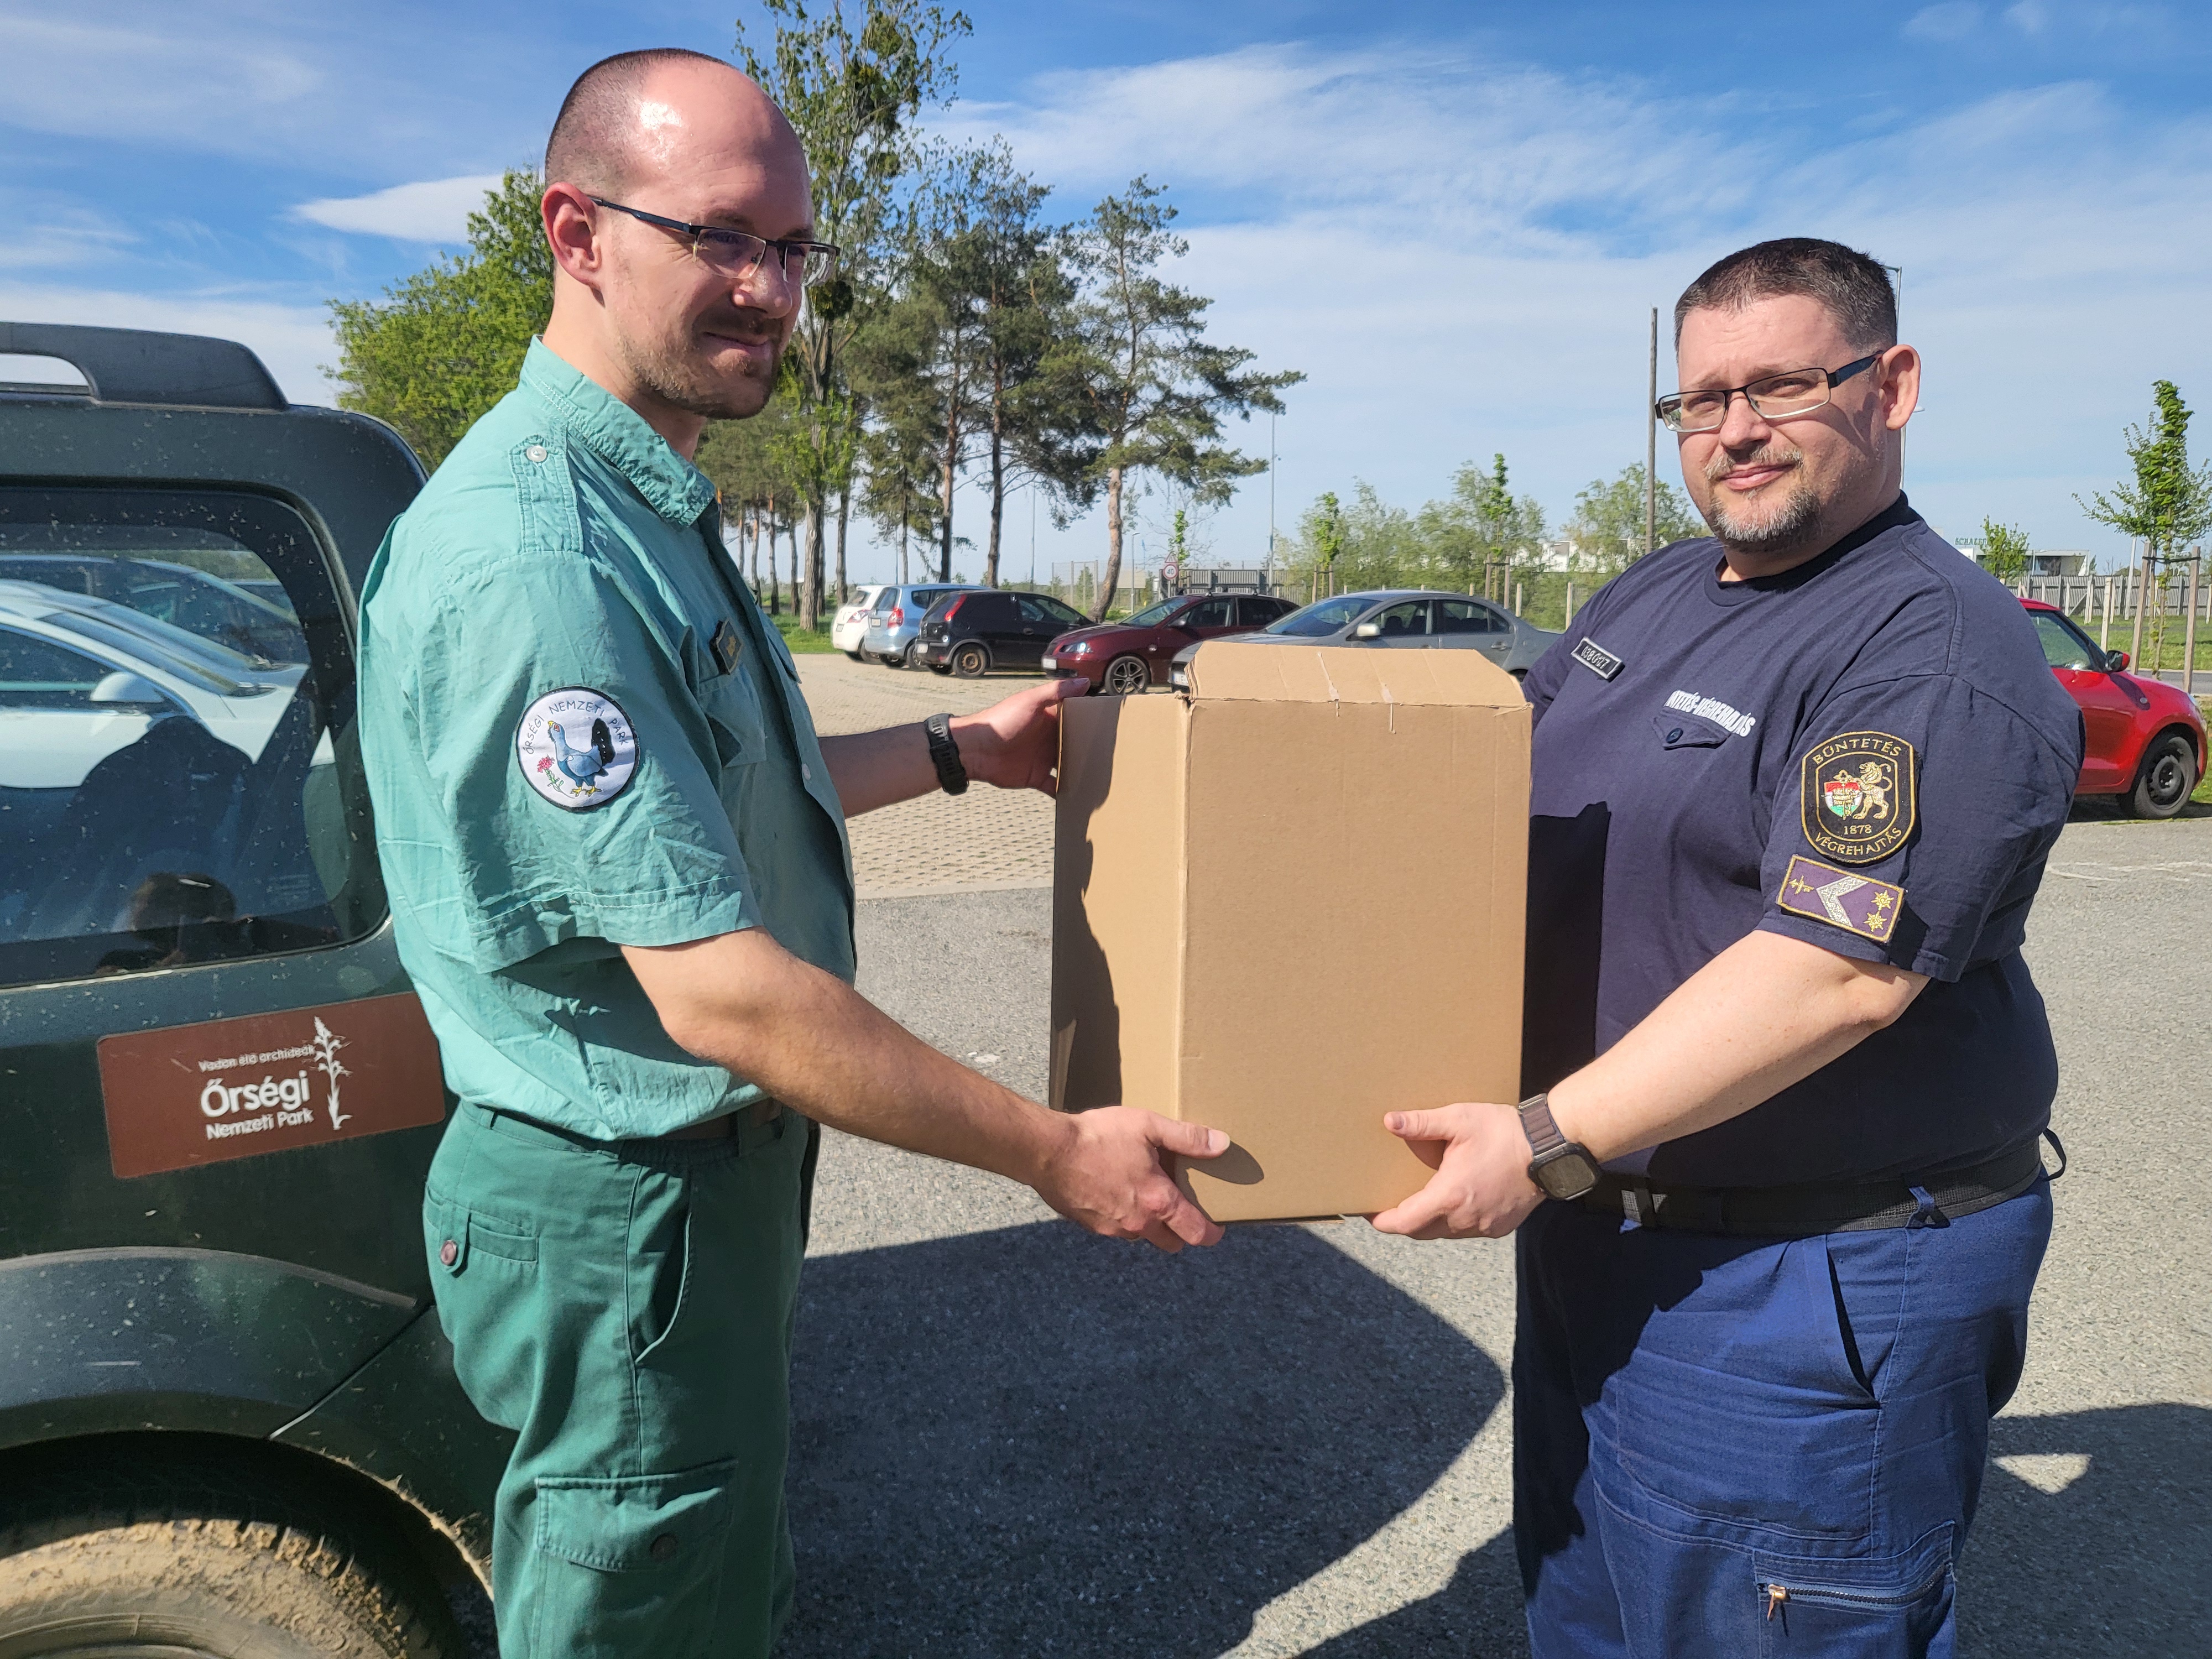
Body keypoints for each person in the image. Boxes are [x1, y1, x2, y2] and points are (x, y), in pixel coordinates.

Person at [356, 48, 1226, 1659]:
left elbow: (718, 792)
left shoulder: (645, 505)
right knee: (647, 1621)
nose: (770, 291)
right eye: (722, 239)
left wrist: (966, 748)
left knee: (709, 1597)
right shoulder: (541, 558)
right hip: (628, 1208)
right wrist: (1054, 1150)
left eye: (794, 251)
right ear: (578, 231)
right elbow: (725, 997)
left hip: (688, 1206)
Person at [1370, 238, 2081, 1655]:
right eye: (1698, 401)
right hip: (1606, 1235)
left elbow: (1833, 973)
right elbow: (1494, 777)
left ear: (1892, 387)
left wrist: (1544, 1137)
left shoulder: (1927, 650)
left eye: (1779, 386)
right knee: (1587, 1614)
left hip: (1803, 1278)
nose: (1732, 431)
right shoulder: (1657, 589)